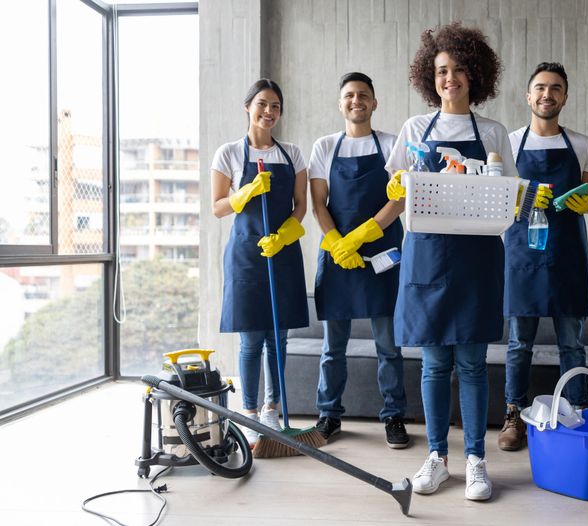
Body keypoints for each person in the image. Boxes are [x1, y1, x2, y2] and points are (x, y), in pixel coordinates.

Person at [385, 22, 518, 501]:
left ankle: (477, 460)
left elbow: (509, 199)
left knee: (474, 363)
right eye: (442, 70)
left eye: (460, 69)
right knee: (434, 362)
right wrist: (396, 188)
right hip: (426, 255)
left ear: (475, 75)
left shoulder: (495, 132)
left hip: (477, 257)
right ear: (430, 76)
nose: (450, 78)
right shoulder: (415, 129)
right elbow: (398, 189)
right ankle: (438, 457)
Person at [498, 62, 588, 451]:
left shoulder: (581, 144)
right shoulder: (509, 143)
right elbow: (496, 198)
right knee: (518, 343)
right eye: (540, 88)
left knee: (571, 344)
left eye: (555, 88)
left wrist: (585, 202)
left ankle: (576, 413)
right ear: (528, 96)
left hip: (567, 254)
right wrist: (526, 199)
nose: (547, 94)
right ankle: (514, 415)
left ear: (565, 97)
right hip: (522, 253)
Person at [308, 72, 409, 448]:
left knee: (388, 345)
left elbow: (399, 199)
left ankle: (394, 415)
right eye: (349, 95)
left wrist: (364, 234)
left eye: (363, 95)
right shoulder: (324, 147)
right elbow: (318, 202)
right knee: (333, 345)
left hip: (382, 250)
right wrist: (337, 242)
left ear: (374, 102)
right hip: (339, 257)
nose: (356, 101)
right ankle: (328, 413)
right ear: (340, 103)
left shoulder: (391, 143)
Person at [210, 78, 309, 446]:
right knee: (251, 339)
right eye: (262, 104)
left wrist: (284, 234)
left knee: (278, 339)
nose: (269, 112)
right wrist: (247, 191)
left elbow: (301, 206)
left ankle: (273, 407)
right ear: (248, 107)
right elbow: (217, 207)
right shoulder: (229, 154)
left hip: (281, 253)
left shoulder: (292, 154)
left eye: (276, 106)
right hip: (246, 256)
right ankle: (249, 413)